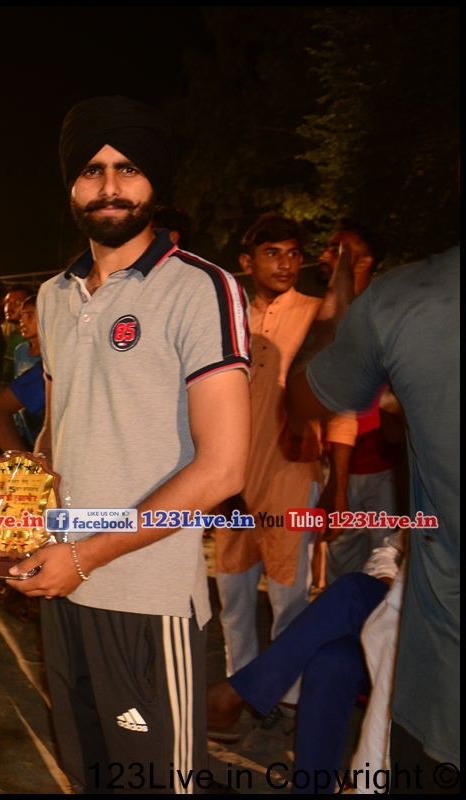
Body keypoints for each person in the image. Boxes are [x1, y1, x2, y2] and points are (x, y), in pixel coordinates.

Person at [0, 96, 253, 791]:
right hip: (63, 588)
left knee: (158, 781)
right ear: (71, 183)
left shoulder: (200, 289)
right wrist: (18, 521)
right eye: (92, 169)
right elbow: (60, 431)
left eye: (128, 168)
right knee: (89, 773)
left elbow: (222, 468)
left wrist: (84, 556)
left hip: (147, 595)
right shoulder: (54, 297)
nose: (110, 185)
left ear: (155, 183)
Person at [286, 233, 459, 783]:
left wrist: (333, 317)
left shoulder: (404, 302)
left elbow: (311, 400)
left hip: (437, 671)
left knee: (352, 616)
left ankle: (241, 695)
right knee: (338, 644)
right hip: (414, 586)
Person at [215, 214, 358, 714]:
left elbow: (341, 405)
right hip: (232, 482)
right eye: (272, 253)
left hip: (291, 476)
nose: (285, 263)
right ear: (247, 261)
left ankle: (288, 699)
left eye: (293, 253)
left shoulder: (318, 314)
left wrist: (337, 489)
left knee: (288, 598)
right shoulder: (229, 318)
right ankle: (238, 692)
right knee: (233, 594)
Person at [208, 535, 403, 791]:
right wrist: (390, 585)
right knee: (331, 661)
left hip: (436, 651)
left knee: (352, 591)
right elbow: (390, 550)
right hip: (395, 631)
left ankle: (237, 693)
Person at [313, 221, 404, 581]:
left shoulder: (384, 315)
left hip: (384, 466)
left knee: (386, 567)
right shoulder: (324, 317)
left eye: (336, 249)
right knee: (342, 577)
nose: (324, 254)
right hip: (337, 465)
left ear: (363, 262)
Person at [0, 296, 44, 452]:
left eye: (30, 315)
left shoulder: (50, 358)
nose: (23, 320)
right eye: (22, 315)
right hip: (24, 427)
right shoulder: (21, 350)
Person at [0, 283, 35, 384]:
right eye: (7, 302)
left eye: (17, 302)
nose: (10, 306)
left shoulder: (34, 341)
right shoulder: (13, 335)